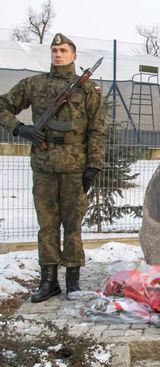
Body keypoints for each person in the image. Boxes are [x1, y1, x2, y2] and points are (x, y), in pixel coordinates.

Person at [0, 33, 107, 302]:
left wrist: (93, 165)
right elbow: (2, 106)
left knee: (73, 225)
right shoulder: (34, 84)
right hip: (44, 165)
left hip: (75, 167)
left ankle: (73, 282)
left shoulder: (87, 89)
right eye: (54, 50)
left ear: (74, 55)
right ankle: (48, 281)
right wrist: (20, 129)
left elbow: (98, 130)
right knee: (46, 225)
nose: (57, 55)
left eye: (62, 50)